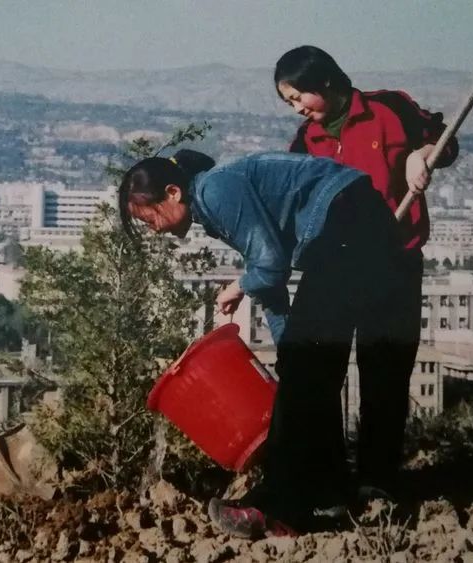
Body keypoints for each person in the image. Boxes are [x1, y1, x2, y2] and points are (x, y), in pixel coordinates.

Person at [119, 148, 406, 536]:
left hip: (349, 226)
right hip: (356, 228)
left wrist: (236, 288)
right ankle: (329, 494)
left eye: (150, 216)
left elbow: (269, 266)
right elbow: (269, 281)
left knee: (307, 375)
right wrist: (288, 348)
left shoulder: (216, 191)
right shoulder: (213, 201)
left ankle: (279, 508)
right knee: (305, 371)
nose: (154, 229)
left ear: (173, 192)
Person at [274, 45, 459, 500]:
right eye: (290, 102)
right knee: (320, 371)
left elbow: (446, 141)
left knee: (385, 372)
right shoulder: (304, 143)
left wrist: (424, 153)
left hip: (394, 262)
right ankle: (327, 480)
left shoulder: (389, 108)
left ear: (328, 83)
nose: (298, 109)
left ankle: (378, 480)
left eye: (301, 97)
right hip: (334, 268)